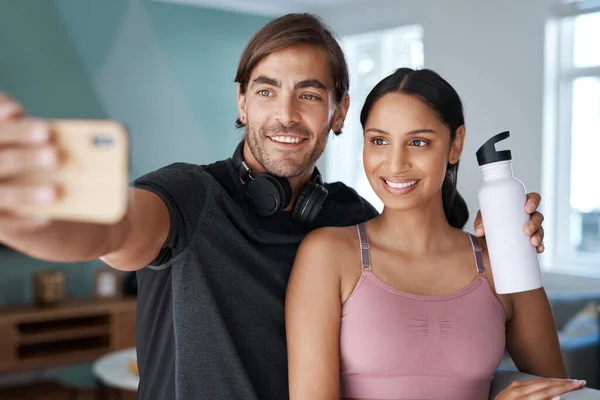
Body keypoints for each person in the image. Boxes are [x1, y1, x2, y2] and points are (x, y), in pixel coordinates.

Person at [0, 14, 547, 400]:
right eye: (266, 91)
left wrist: (497, 234)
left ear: (338, 111)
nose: (285, 114)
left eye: (309, 94)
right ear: (241, 102)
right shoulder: (192, 196)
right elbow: (110, 229)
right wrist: (30, 218)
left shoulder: (350, 217)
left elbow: (434, 268)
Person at [285, 67, 584, 400]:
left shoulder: (501, 259)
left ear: (456, 145)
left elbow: (561, 393)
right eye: (379, 140)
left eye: (418, 142)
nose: (395, 163)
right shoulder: (327, 255)